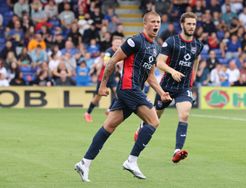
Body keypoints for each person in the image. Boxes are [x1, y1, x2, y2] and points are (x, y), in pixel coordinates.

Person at [74, 11, 172, 182]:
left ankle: (84, 163)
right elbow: (112, 61)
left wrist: (161, 92)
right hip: (129, 88)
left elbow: (150, 76)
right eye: (153, 22)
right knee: (154, 121)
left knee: (109, 126)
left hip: (134, 90)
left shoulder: (155, 47)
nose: (156, 25)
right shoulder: (134, 41)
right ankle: (131, 161)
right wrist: (103, 86)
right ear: (145, 24)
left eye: (158, 22)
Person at [134, 12, 203, 163]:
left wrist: (193, 76)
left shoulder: (198, 45)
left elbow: (196, 59)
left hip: (184, 87)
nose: (192, 27)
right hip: (166, 87)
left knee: (184, 115)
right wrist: (172, 71)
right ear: (182, 24)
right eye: (189, 24)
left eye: (194, 24)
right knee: (156, 117)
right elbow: (159, 63)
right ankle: (142, 126)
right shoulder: (171, 42)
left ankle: (177, 151)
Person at [84, 36, 123, 122]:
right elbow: (106, 63)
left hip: (111, 77)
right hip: (103, 77)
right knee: (97, 98)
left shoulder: (119, 52)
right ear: (112, 43)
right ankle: (87, 113)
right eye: (116, 43)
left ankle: (109, 110)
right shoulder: (108, 52)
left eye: (119, 43)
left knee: (119, 94)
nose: (118, 44)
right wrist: (117, 63)